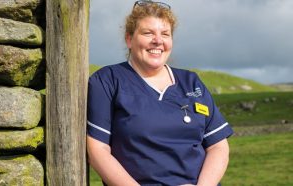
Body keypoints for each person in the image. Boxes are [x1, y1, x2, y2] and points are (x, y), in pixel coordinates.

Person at [87, 1, 233, 185]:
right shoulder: (108, 81)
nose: (158, 40)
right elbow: (97, 150)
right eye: (148, 33)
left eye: (165, 34)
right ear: (129, 39)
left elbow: (218, 146)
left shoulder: (191, 82)